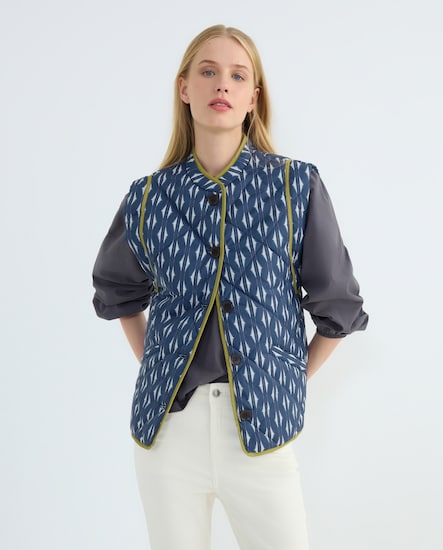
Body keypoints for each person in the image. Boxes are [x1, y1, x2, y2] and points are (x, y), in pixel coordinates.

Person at [92, 24, 368, 550]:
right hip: (168, 433)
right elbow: (117, 291)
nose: (222, 84)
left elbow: (338, 306)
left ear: (253, 98)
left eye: (238, 76)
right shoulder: (148, 197)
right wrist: (160, 362)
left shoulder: (295, 187)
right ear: (184, 88)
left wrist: (286, 379)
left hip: (263, 431)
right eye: (208, 71)